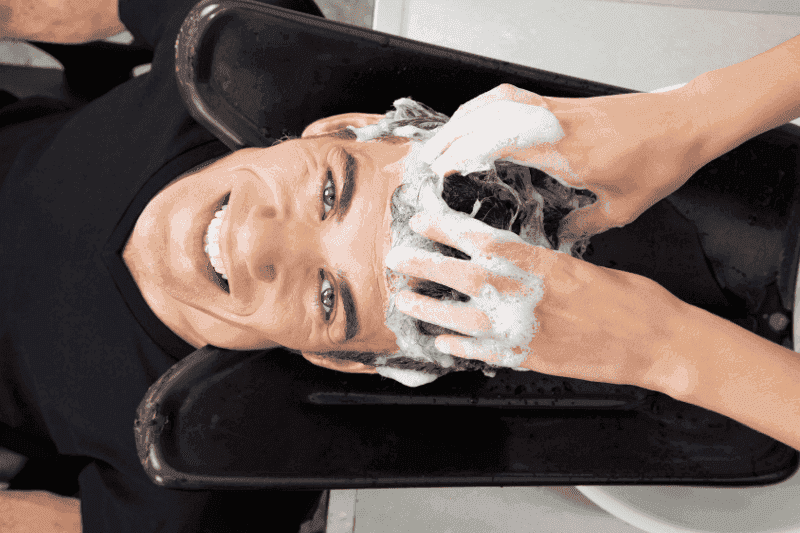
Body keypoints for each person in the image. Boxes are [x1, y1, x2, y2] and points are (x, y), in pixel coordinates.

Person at [1, 0, 800, 526]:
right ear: (338, 128)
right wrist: (687, 120)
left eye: (329, 298)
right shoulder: (233, 44)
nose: (257, 245)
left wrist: (663, 349)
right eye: (330, 192)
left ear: (335, 358)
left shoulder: (189, 480)